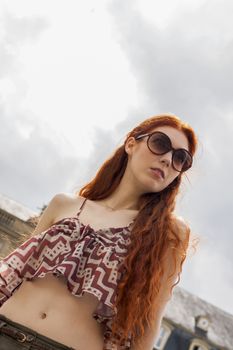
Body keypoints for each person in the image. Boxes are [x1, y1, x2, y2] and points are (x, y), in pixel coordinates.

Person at [0, 113, 198, 350]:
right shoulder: (63, 204)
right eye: (160, 144)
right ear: (131, 144)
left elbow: (149, 321)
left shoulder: (168, 233)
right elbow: (18, 274)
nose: (167, 159)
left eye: (180, 159)